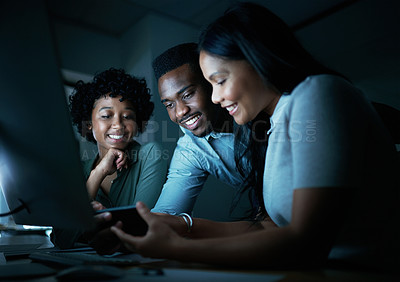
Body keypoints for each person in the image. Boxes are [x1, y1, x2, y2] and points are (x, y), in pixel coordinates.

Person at [110, 2, 399, 270]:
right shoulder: (271, 128)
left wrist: (176, 249)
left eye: (219, 81)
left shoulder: (316, 94)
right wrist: (163, 227)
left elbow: (307, 242)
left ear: (255, 59)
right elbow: (268, 228)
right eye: (211, 85)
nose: (217, 97)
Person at [52, 68, 168, 249]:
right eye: (106, 116)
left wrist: (88, 232)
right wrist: (98, 173)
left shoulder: (150, 155)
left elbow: (140, 227)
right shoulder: (79, 170)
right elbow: (61, 239)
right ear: (89, 124)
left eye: (128, 116)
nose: (118, 125)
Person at [150, 42, 256, 218]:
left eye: (187, 95)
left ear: (211, 84)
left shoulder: (257, 110)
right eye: (169, 104)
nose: (180, 111)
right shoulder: (191, 149)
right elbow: (167, 214)